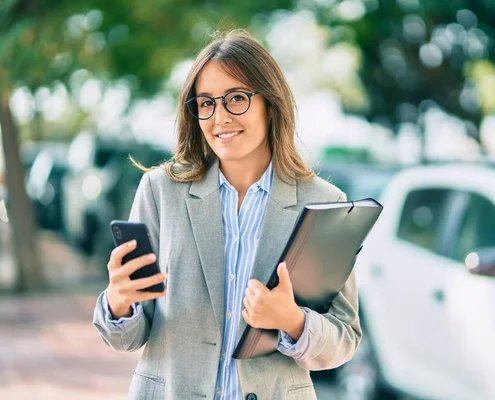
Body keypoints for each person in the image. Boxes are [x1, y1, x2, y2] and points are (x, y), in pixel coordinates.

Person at [92, 29, 361, 400]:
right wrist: (120, 303)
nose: (219, 118)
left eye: (236, 98)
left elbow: (344, 338)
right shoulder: (160, 192)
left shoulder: (323, 202)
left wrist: (292, 322)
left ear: (271, 102)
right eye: (206, 103)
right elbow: (125, 338)